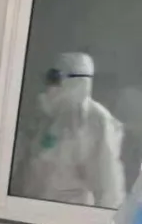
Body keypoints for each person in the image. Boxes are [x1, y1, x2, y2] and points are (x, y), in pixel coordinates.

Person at [13, 52, 126, 208]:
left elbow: (109, 188)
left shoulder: (97, 121)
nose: (50, 86)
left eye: (55, 78)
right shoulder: (45, 116)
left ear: (77, 81)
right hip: (29, 209)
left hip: (68, 215)